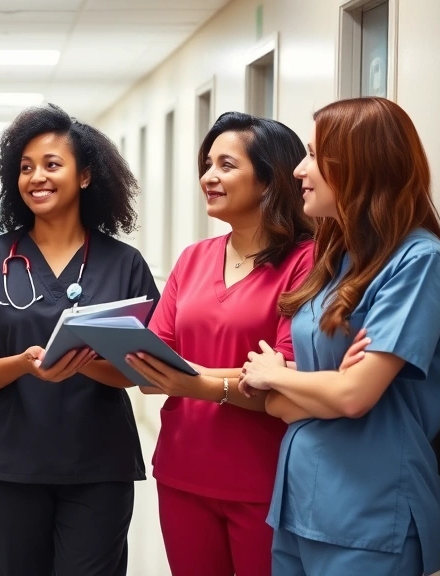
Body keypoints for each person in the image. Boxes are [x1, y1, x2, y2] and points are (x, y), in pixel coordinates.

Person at [241, 97, 440, 576]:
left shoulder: (419, 264)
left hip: (370, 511)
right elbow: (279, 404)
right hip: (301, 502)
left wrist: (279, 375)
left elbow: (353, 397)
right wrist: (311, 384)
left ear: (358, 166)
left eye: (313, 156)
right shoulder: (337, 257)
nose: (300, 170)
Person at [0, 103, 158, 576]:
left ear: (85, 176)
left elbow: (139, 370)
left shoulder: (124, 264)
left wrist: (82, 362)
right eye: (25, 167)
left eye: (52, 164)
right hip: (9, 466)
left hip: (99, 464)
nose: (36, 176)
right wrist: (22, 363)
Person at [123, 112, 315, 576]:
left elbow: (286, 374)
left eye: (226, 165)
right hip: (182, 469)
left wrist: (190, 378)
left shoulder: (306, 261)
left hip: (262, 479)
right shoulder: (193, 259)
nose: (208, 177)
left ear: (270, 179)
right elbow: (155, 362)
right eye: (207, 164)